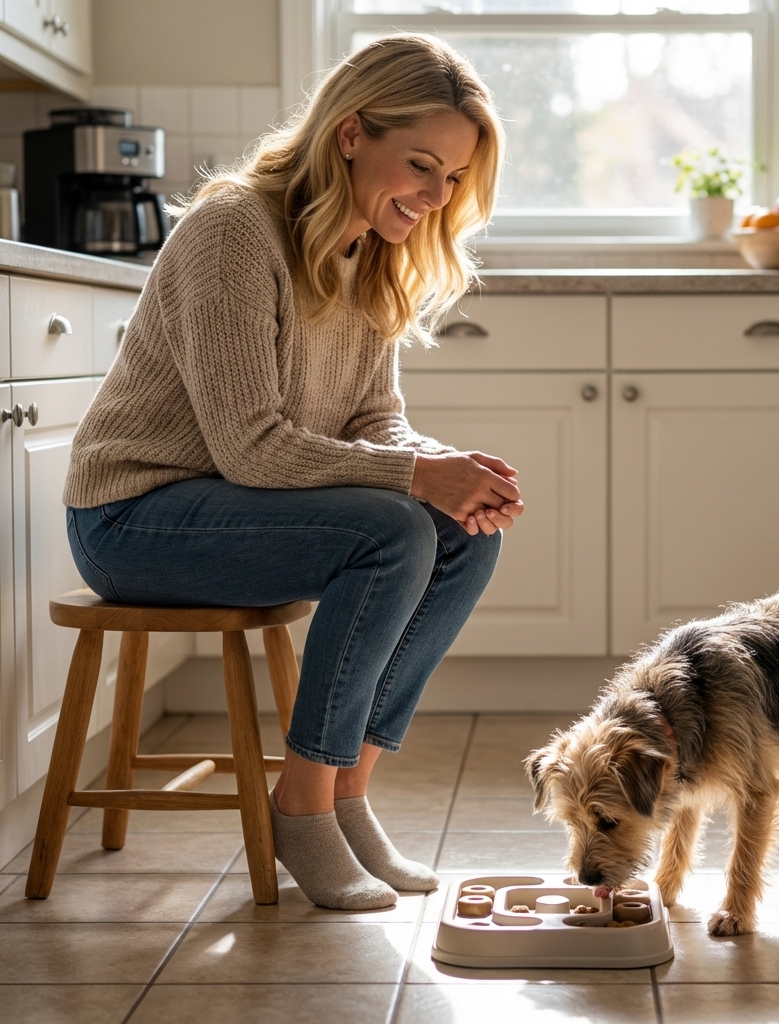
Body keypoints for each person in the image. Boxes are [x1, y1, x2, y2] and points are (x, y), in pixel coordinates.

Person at [62, 35, 521, 911]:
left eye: (454, 180)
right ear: (351, 133)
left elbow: (369, 417)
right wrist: (416, 480)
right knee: (394, 529)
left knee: (458, 531)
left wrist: (436, 464)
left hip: (238, 505)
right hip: (134, 516)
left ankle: (347, 795)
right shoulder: (235, 229)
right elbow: (252, 447)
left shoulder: (374, 250)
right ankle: (299, 807)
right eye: (421, 166)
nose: (435, 198)